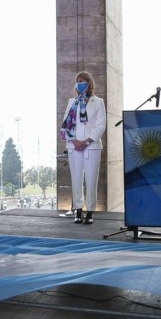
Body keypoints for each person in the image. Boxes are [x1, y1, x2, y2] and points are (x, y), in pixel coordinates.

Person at [60, 71, 106, 224]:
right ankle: (78, 210)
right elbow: (65, 124)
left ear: (89, 83)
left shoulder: (98, 101)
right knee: (76, 178)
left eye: (83, 80)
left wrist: (86, 141)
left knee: (91, 179)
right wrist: (74, 141)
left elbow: (101, 126)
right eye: (78, 81)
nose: (80, 83)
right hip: (74, 146)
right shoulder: (71, 102)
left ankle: (90, 211)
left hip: (91, 146)